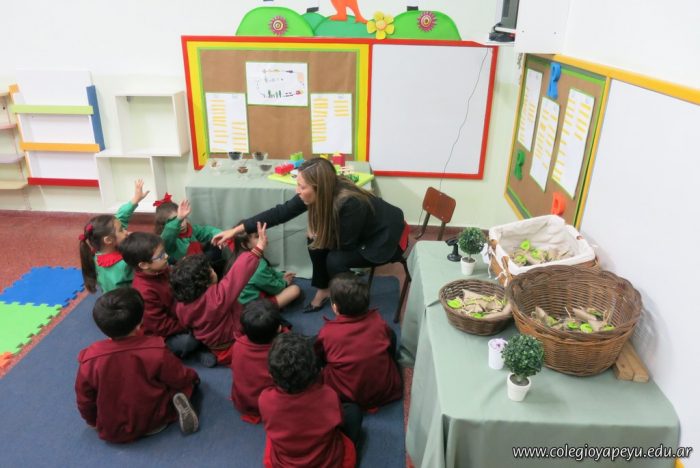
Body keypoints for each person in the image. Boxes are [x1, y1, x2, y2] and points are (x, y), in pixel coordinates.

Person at [212, 157, 407, 313]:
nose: (297, 191)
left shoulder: (350, 203)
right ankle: (324, 289)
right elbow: (279, 213)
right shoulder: (323, 190)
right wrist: (236, 230)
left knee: (335, 260)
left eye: (302, 186)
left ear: (318, 188)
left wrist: (322, 235)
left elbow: (347, 244)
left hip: (383, 238)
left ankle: (349, 307)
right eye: (297, 184)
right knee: (315, 241)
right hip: (359, 231)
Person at [75, 287, 200, 443]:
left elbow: (84, 398)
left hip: (115, 430)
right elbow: (179, 376)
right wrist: (194, 378)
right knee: (181, 385)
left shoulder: (90, 359)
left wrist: (92, 420)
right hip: (156, 420)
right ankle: (176, 401)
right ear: (140, 322)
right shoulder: (155, 349)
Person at [170, 222, 267, 366]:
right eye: (210, 269)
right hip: (232, 343)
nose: (213, 269)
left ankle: (208, 353)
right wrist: (258, 249)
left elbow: (186, 324)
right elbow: (238, 273)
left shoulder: (181, 304)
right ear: (206, 282)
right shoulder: (218, 298)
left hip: (211, 343)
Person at [259, 333, 362, 468]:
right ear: (315, 369)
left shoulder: (265, 399)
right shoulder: (328, 395)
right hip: (326, 462)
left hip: (286, 463)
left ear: (271, 375)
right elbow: (340, 423)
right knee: (353, 412)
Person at [119, 232, 213, 365]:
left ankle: (200, 338)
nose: (167, 256)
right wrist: (189, 325)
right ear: (144, 265)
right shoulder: (144, 292)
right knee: (188, 341)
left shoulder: (161, 269)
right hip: (166, 333)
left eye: (164, 252)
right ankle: (195, 349)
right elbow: (161, 326)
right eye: (161, 255)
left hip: (181, 315)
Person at [314, 273, 402, 410]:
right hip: (385, 390)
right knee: (390, 336)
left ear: (335, 308)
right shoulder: (378, 321)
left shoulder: (328, 332)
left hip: (348, 395)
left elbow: (320, 356)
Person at [79, 179, 150, 293]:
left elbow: (120, 218)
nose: (126, 231)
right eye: (122, 230)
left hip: (110, 299)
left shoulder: (97, 254)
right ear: (108, 240)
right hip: (128, 300)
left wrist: (135, 199)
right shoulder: (125, 264)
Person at [224, 223, 301, 308]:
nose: (264, 237)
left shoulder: (238, 258)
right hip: (251, 307)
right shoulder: (256, 264)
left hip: (238, 302)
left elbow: (268, 272)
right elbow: (273, 288)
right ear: (245, 245)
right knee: (295, 290)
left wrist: (281, 275)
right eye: (258, 236)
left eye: (263, 233)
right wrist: (284, 283)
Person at [230, 299, 282, 423]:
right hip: (266, 405)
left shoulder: (238, 345)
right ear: (279, 328)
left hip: (242, 401)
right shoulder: (280, 353)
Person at [154, 194, 225, 275]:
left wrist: (219, 234)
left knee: (215, 246)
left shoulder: (191, 229)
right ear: (165, 226)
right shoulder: (169, 240)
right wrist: (178, 219)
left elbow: (206, 231)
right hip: (187, 272)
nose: (182, 224)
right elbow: (167, 236)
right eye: (177, 221)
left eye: (183, 219)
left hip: (199, 261)